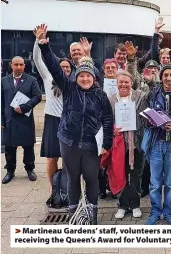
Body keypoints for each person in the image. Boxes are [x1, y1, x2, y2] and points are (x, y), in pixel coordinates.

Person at [37, 26, 113, 225]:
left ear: (93, 78)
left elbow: (107, 118)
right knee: (72, 178)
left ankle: (91, 214)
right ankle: (74, 215)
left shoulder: (100, 95)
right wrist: (44, 45)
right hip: (68, 142)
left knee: (92, 179)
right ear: (76, 77)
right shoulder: (69, 88)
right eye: (81, 75)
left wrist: (107, 142)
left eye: (89, 76)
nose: (85, 78)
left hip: (91, 145)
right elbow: (54, 66)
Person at [142, 65, 171, 225]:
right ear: (161, 77)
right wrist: (151, 122)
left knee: (169, 182)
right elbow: (143, 116)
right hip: (156, 143)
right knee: (155, 183)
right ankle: (155, 212)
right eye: (166, 75)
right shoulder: (152, 93)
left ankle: (168, 213)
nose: (169, 78)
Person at [33, 25, 73, 204]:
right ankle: (52, 187)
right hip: (51, 120)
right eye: (62, 67)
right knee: (51, 157)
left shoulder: (73, 84)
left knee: (66, 157)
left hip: (68, 122)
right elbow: (36, 59)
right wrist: (38, 40)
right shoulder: (49, 78)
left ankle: (64, 187)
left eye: (67, 68)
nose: (64, 69)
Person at [109, 71, 147, 219]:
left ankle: (136, 204)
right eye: (121, 82)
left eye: (126, 82)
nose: (124, 84)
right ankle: (123, 205)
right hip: (119, 144)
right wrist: (113, 129)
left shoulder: (140, 97)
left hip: (136, 143)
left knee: (136, 175)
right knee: (121, 174)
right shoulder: (111, 99)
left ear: (132, 83)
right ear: (117, 83)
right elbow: (107, 120)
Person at [1, 56, 42, 184]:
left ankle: (30, 169)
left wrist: (24, 107)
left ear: (24, 66)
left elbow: (38, 96)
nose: (19, 67)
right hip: (9, 120)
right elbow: (1, 102)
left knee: (28, 147)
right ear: (11, 66)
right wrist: (1, 121)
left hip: (25, 119)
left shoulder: (31, 80)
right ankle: (10, 171)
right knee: (9, 148)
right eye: (16, 65)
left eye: (21, 65)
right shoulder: (4, 81)